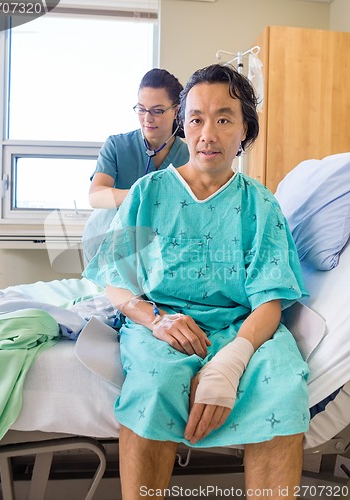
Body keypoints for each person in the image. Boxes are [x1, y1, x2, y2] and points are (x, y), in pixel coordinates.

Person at [84, 64, 309, 499]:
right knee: (154, 381)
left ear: (245, 129)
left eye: (224, 118)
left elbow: (270, 299)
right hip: (162, 319)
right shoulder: (148, 194)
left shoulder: (260, 204)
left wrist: (234, 358)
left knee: (282, 384)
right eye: (196, 119)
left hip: (242, 324)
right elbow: (115, 281)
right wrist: (154, 321)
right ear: (183, 127)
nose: (208, 133)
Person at [82, 68, 189, 265]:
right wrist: (142, 193)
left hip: (162, 255)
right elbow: (95, 196)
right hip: (107, 248)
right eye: (141, 109)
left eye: (157, 111)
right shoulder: (116, 145)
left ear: (176, 110)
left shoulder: (188, 157)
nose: (147, 118)